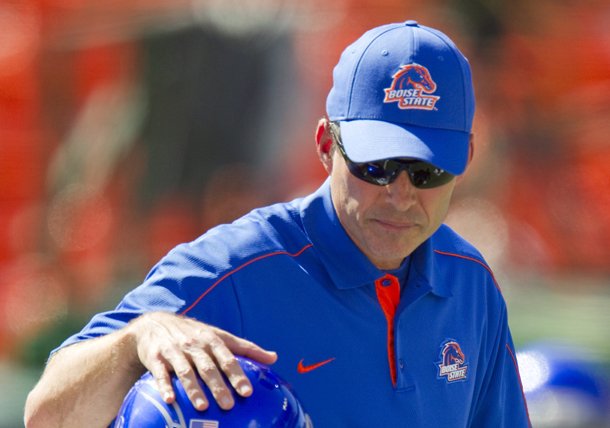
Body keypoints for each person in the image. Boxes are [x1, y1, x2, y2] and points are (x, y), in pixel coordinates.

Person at [24, 21, 531, 427]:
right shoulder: (235, 269)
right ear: (326, 145)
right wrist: (136, 337)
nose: (400, 195)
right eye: (375, 167)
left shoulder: (470, 283)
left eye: (427, 172)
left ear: (465, 159)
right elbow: (46, 415)